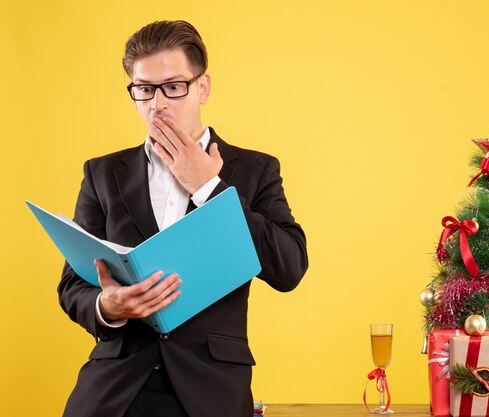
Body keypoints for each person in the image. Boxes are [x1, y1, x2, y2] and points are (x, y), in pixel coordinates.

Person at [57, 20, 308, 417]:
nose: (158, 104)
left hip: (212, 391)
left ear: (202, 87)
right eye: (144, 90)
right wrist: (109, 305)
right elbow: (72, 285)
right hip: (114, 391)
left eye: (174, 87)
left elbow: (289, 268)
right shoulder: (101, 173)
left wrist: (210, 188)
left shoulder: (255, 170)